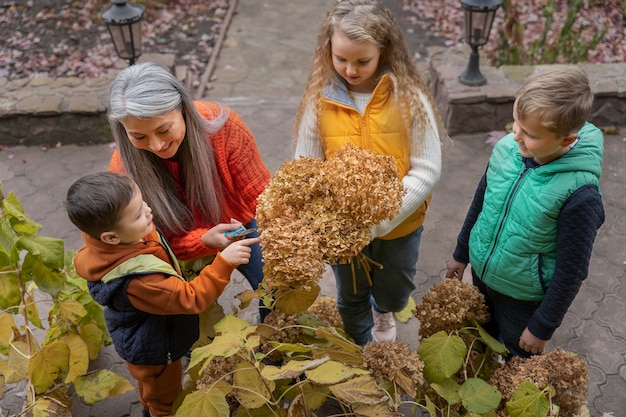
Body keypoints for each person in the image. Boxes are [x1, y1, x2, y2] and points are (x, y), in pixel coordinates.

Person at [293, 0, 448, 345]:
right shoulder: (319, 103)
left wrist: (376, 221)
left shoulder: (410, 98)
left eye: (362, 61)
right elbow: (305, 169)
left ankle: (385, 310)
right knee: (349, 294)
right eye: (341, 59)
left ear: (384, 51)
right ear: (328, 50)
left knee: (396, 290)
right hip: (344, 232)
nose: (350, 69)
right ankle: (360, 343)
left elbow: (427, 170)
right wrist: (330, 221)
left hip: (401, 225)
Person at [66, 172, 260, 417]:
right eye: (137, 214)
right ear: (111, 237)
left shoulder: (123, 238)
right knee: (163, 398)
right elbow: (191, 298)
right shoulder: (140, 282)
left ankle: (149, 402)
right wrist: (224, 263)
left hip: (152, 333)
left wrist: (206, 240)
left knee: (150, 390)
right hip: (155, 352)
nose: (148, 211)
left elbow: (159, 246)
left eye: (143, 203)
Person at [446, 67, 605, 358]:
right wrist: (461, 252)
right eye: (515, 122)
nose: (516, 136)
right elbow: (481, 203)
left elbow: (572, 270)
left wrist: (542, 326)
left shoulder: (579, 194)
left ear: (566, 140)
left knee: (518, 361)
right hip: (482, 275)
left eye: (530, 134)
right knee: (478, 341)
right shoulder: (507, 150)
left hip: (522, 297)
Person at [106, 62, 271, 317]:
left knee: (274, 287)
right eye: (139, 137)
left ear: (183, 108)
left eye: (164, 130)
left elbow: (264, 199)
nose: (157, 145)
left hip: (237, 225)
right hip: (174, 242)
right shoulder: (121, 171)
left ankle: (272, 347)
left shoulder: (225, 129)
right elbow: (154, 243)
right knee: (176, 315)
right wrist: (203, 241)